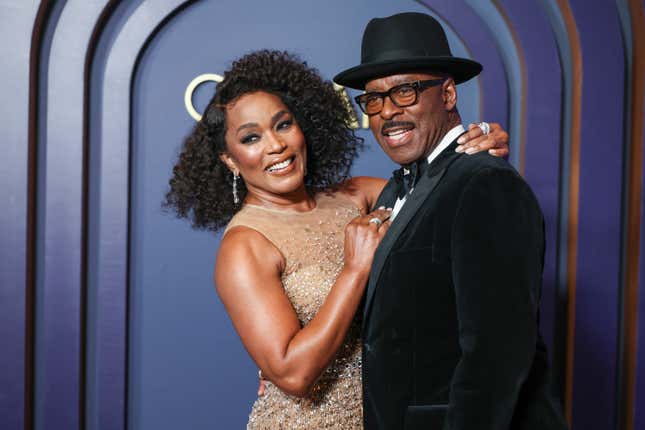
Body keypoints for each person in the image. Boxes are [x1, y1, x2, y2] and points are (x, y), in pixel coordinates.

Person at [165, 50, 509, 429]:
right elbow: (293, 374)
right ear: (230, 160)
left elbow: (446, 198)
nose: (276, 145)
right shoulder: (245, 244)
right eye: (251, 137)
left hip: (391, 416)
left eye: (283, 125)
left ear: (304, 128)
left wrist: (478, 148)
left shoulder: (359, 196)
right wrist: (355, 269)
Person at [333, 12, 568, 430]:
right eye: (373, 99)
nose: (386, 112)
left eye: (405, 91)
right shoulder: (394, 190)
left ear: (447, 95)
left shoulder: (485, 185)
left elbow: (495, 357)